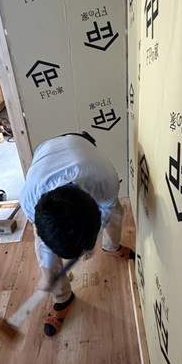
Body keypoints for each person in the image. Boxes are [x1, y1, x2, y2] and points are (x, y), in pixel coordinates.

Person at [20, 132, 134, 337]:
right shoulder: (30, 201)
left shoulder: (105, 180)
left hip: (81, 147)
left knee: (115, 211)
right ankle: (63, 298)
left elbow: (106, 210)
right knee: (46, 255)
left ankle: (111, 246)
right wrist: (48, 275)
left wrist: (90, 242)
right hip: (46, 152)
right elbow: (46, 242)